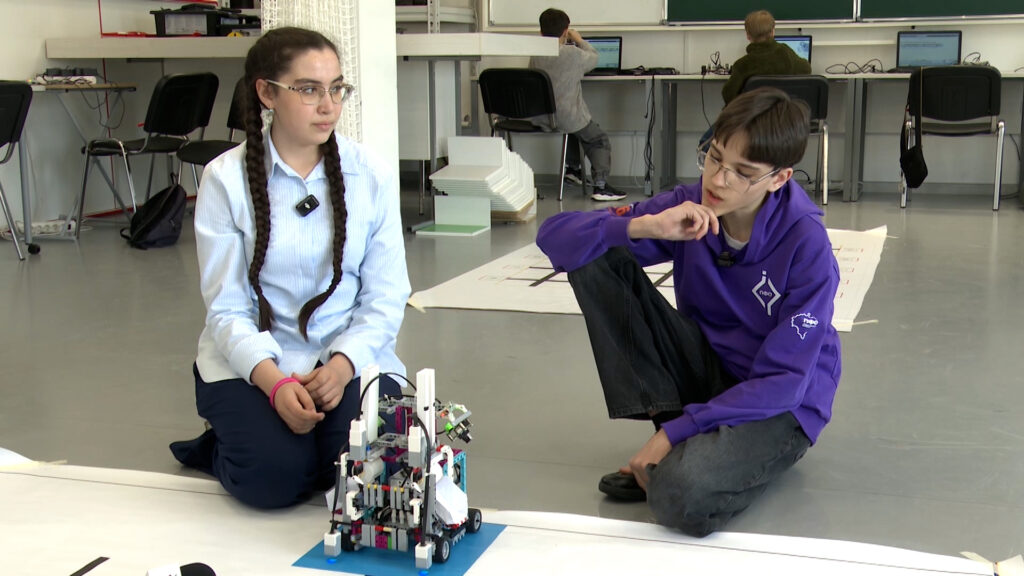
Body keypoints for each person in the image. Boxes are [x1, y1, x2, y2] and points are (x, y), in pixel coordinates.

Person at [536, 88, 841, 537]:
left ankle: (693, 450)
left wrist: (673, 434)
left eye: (742, 173)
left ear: (779, 179)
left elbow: (784, 382)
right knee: (597, 252)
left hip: (781, 403)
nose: (717, 180)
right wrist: (643, 225)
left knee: (679, 495)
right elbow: (553, 236)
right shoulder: (689, 205)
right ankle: (693, 441)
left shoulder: (806, 244)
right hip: (710, 369)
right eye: (714, 157)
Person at [169, 27, 411, 509]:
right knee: (271, 482)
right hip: (255, 364)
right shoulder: (224, 179)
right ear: (266, 93)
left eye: (337, 89)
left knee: (366, 477)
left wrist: (342, 366)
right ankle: (224, 444)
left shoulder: (371, 175)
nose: (329, 106)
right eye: (309, 90)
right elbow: (227, 309)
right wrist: (275, 383)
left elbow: (385, 297)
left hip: (349, 360)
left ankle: (298, 445)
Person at [530, 8, 626, 202]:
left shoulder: (535, 54)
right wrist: (579, 40)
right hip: (566, 118)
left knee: (575, 130)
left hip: (540, 117)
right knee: (598, 139)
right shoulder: (572, 54)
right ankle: (601, 186)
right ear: (565, 32)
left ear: (541, 32)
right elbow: (594, 57)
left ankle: (573, 170)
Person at [721, 10, 812, 105]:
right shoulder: (786, 53)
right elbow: (806, 69)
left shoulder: (742, 65)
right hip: (784, 111)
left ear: (748, 36)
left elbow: (728, 95)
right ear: (773, 32)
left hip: (755, 112)